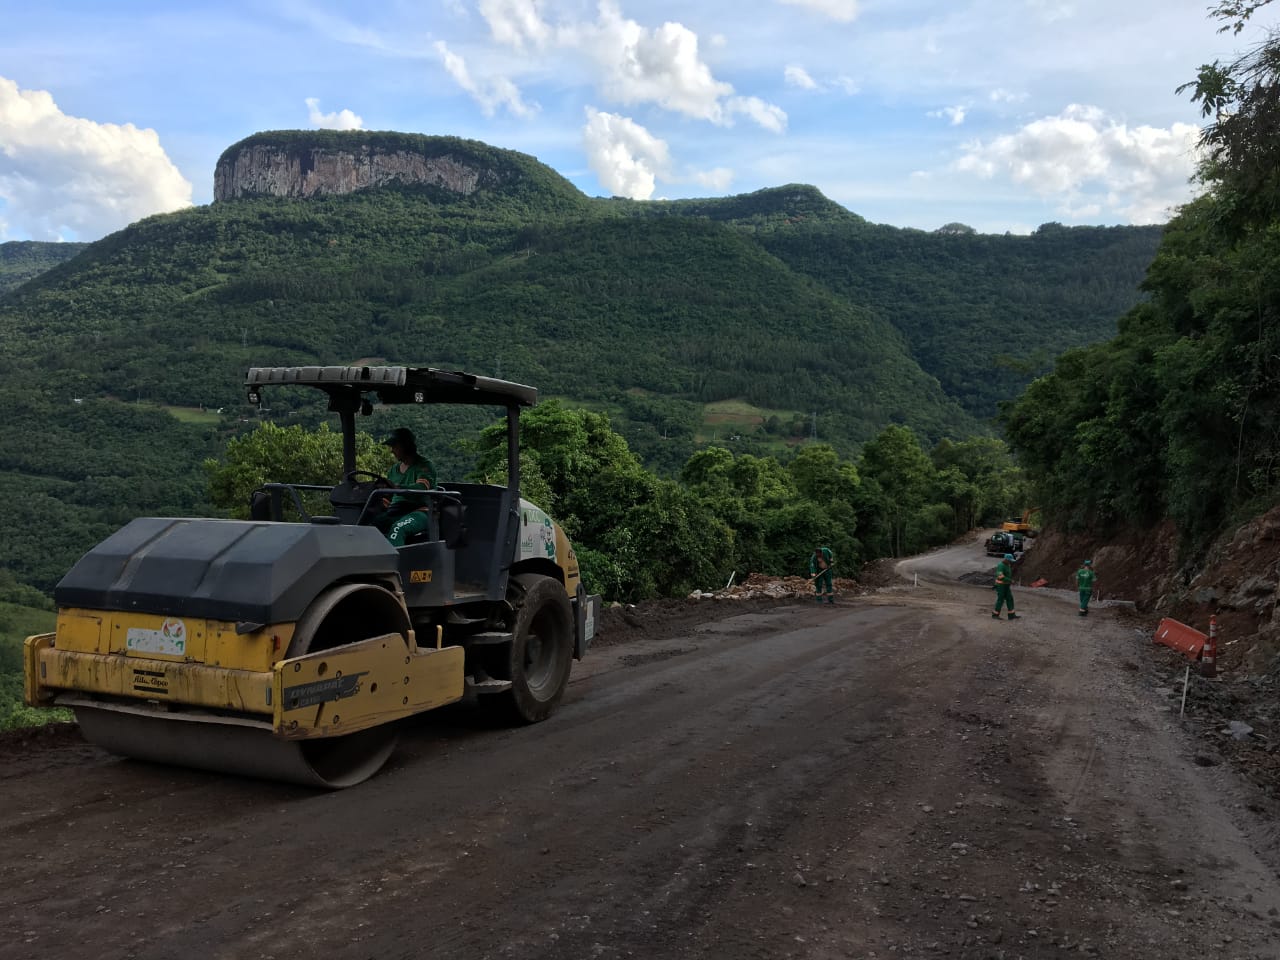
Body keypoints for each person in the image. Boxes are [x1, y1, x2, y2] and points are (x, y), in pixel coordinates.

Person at [368, 427, 437, 547]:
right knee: (368, 527)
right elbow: (388, 498)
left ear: (406, 446)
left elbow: (421, 488)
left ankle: (391, 565)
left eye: (394, 446)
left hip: (420, 512)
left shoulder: (424, 466)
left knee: (397, 529)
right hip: (396, 511)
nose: (392, 450)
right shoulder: (393, 470)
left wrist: (397, 487)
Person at [993, 552, 1019, 620]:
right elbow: (1000, 576)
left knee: (1010, 599)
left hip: (1006, 585)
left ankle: (1011, 615)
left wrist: (1009, 581)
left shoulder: (1008, 565)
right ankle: (995, 615)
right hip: (1001, 586)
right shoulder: (1001, 565)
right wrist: (1010, 580)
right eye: (1010, 560)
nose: (1010, 562)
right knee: (1000, 600)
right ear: (1006, 559)